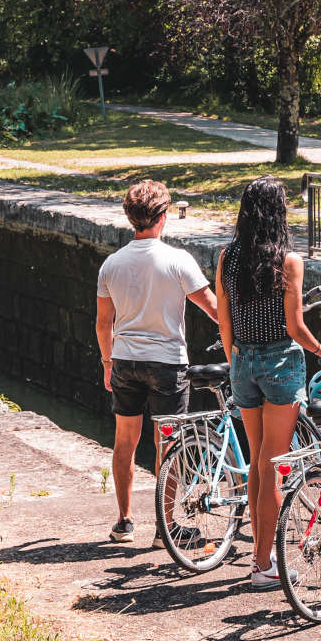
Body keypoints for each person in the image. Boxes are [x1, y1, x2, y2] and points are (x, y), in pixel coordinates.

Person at [216, 176, 321, 588]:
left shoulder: (227, 258)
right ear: (278, 213)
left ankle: (263, 556)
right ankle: (262, 565)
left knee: (258, 460)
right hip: (279, 364)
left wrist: (236, 360)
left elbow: (225, 322)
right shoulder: (288, 261)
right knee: (274, 464)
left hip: (241, 360)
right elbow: (294, 326)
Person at [96, 179, 218, 545]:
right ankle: (166, 529)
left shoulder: (112, 264)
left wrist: (107, 362)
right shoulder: (178, 260)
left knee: (124, 441)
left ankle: (124, 521)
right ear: (163, 217)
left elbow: (104, 323)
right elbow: (214, 310)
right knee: (170, 445)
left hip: (125, 360)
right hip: (167, 363)